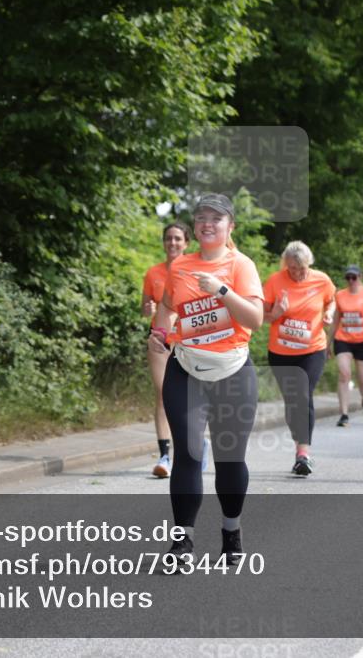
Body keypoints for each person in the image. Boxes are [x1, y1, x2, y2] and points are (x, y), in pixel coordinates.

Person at [148, 193, 263, 566]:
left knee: (230, 461)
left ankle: (231, 531)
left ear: (231, 227)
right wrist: (160, 333)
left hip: (232, 373)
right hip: (186, 370)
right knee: (189, 455)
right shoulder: (179, 266)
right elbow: (166, 308)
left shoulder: (241, 265)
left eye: (217, 218)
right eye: (201, 218)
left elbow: (255, 319)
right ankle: (183, 543)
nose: (208, 223)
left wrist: (221, 290)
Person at [263, 241, 336, 476]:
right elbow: (260, 315)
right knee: (293, 400)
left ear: (309, 264)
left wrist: (329, 313)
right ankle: (299, 443)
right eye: (292, 268)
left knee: (303, 394)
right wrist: (276, 313)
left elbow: (332, 300)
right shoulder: (275, 281)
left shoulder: (322, 280)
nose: (296, 273)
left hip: (312, 349)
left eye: (301, 268)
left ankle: (303, 453)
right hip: (281, 352)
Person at [142, 221, 190, 478]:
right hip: (160, 339)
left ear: (187, 243)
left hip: (188, 339)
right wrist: (147, 310)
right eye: (169, 238)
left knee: (189, 399)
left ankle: (193, 444)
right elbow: (145, 306)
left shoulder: (194, 270)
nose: (172, 243)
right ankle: (164, 456)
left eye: (178, 239)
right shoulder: (153, 273)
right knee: (163, 394)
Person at [329, 265, 363, 428]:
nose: (351, 281)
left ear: (360, 277)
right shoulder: (340, 295)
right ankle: (344, 414)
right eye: (348, 278)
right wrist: (327, 343)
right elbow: (336, 320)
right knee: (344, 374)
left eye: (354, 277)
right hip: (343, 339)